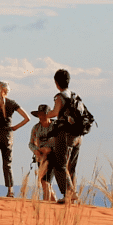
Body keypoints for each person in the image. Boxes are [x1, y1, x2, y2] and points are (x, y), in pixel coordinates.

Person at [48, 68, 80, 204]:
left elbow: (55, 112)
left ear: (56, 82)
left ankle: (69, 193)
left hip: (65, 134)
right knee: (71, 166)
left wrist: (45, 115)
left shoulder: (60, 97)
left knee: (59, 164)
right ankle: (71, 195)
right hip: (78, 135)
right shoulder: (74, 96)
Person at [27, 104, 56, 201]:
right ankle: (54, 202)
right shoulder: (36, 128)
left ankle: (46, 203)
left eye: (44, 114)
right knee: (44, 181)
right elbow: (31, 143)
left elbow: (61, 142)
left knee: (45, 181)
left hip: (53, 156)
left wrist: (50, 149)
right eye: (40, 115)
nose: (41, 117)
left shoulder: (55, 127)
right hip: (41, 158)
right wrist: (36, 150)